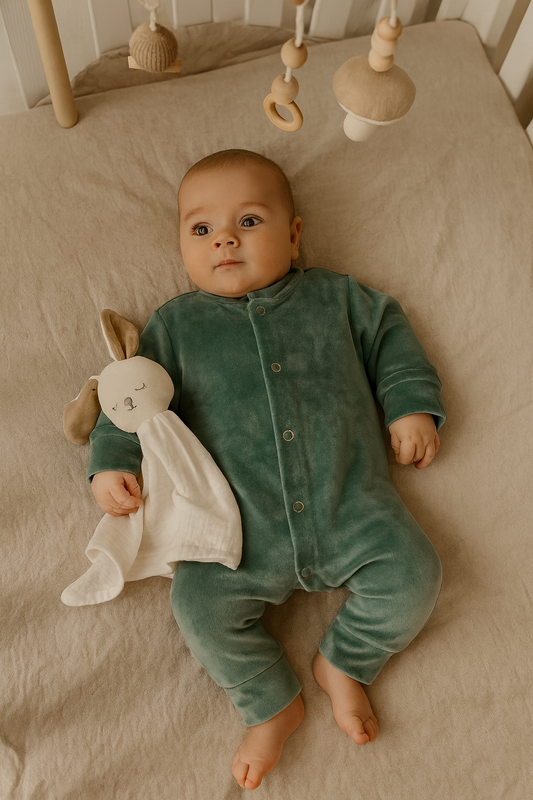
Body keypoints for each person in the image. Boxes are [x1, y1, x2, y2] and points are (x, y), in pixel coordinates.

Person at [89, 149, 445, 791]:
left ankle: (346, 661)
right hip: (236, 533)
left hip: (351, 508)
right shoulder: (176, 326)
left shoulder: (338, 299)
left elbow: (392, 339)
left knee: (416, 573)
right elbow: (131, 399)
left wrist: (410, 406)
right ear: (181, 244)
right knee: (197, 606)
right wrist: (110, 463)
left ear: (295, 234)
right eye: (202, 229)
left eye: (248, 221)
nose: (224, 239)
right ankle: (269, 703)